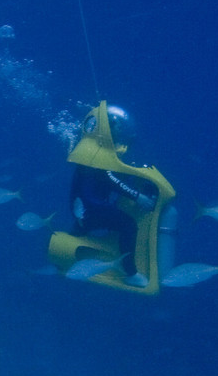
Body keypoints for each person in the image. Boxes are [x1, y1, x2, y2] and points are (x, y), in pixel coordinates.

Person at [67, 104, 174, 287]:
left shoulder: (96, 149)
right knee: (128, 224)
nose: (119, 131)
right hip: (92, 208)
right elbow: (109, 178)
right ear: (106, 130)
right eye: (116, 127)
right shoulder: (97, 154)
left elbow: (113, 174)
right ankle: (130, 272)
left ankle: (77, 234)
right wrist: (138, 196)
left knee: (109, 216)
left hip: (88, 207)